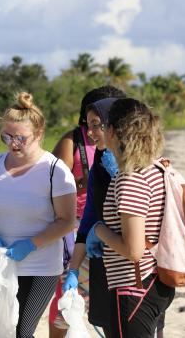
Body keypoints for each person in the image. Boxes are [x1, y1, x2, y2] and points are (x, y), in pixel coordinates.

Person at [0, 92, 77, 338]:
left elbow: (67, 221)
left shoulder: (54, 169)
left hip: (41, 265)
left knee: (23, 331)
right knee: (5, 329)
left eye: (21, 138)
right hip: (3, 263)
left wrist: (31, 244)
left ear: (39, 134)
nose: (13, 144)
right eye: (7, 137)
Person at [76, 98, 174, 337]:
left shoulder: (130, 179)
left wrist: (99, 230)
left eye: (101, 125)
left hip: (134, 286)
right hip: (156, 280)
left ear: (112, 131)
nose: (93, 132)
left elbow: (133, 250)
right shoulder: (156, 168)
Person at [49, 86, 127, 338]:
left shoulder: (132, 153)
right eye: (90, 123)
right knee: (72, 298)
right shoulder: (73, 142)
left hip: (119, 234)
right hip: (78, 227)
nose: (93, 132)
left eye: (99, 124)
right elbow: (53, 188)